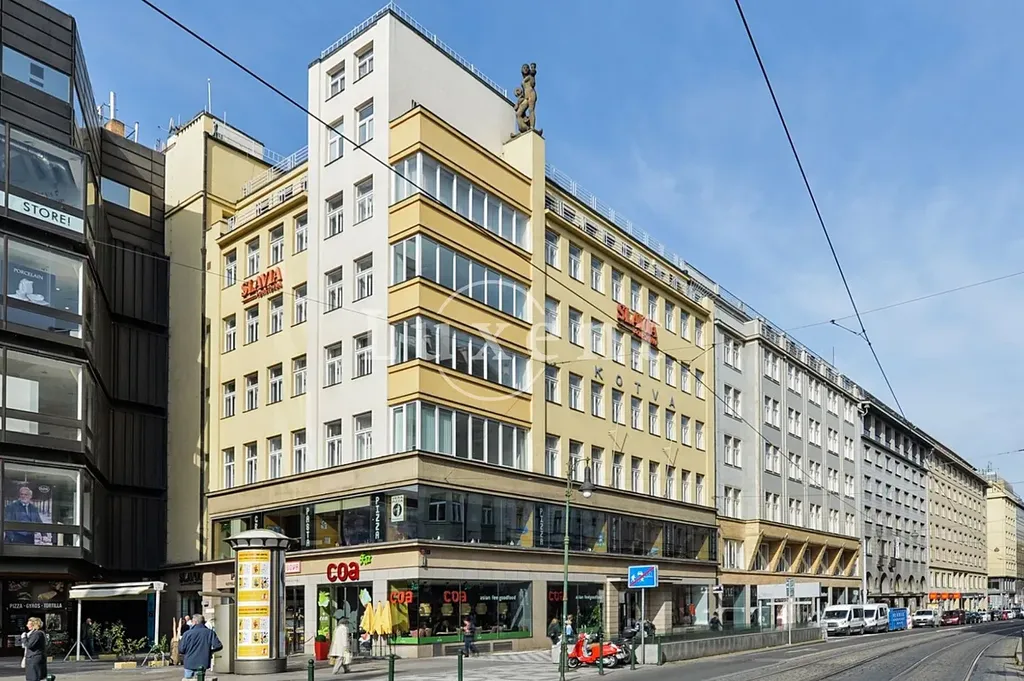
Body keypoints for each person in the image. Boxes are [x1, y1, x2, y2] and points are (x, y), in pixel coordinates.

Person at [178, 614, 222, 680]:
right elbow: (218, 646)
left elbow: (181, 649)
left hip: (189, 662)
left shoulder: (187, 634)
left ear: (195, 622)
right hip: (203, 662)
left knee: (188, 679)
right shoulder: (210, 633)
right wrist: (210, 651)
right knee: (200, 678)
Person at [22, 617, 46, 681]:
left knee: (34, 677)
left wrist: (24, 638)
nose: (27, 625)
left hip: (34, 658)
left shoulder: (37, 634)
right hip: (32, 658)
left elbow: (29, 645)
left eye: (28, 624)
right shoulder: (34, 633)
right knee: (31, 677)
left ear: (34, 625)